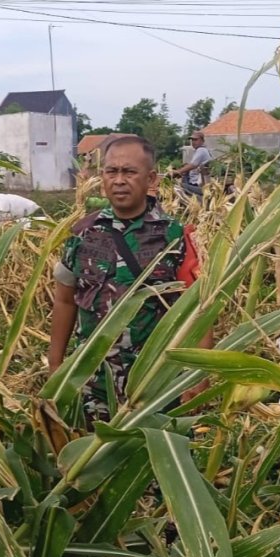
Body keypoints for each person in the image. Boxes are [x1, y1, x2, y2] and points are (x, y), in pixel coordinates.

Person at [49, 135, 210, 426]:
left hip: (154, 383)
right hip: (91, 382)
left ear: (150, 179)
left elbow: (197, 311)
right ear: (102, 177)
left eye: (129, 172)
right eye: (112, 171)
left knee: (150, 463)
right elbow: (64, 300)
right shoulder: (83, 234)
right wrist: (56, 365)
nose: (119, 180)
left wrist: (197, 376)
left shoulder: (177, 237)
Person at [167, 131, 212, 201]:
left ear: (202, 141)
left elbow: (193, 165)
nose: (193, 142)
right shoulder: (201, 150)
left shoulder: (201, 150)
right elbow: (192, 165)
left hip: (198, 184)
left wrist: (177, 172)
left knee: (178, 186)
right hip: (195, 182)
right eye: (192, 140)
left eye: (196, 140)